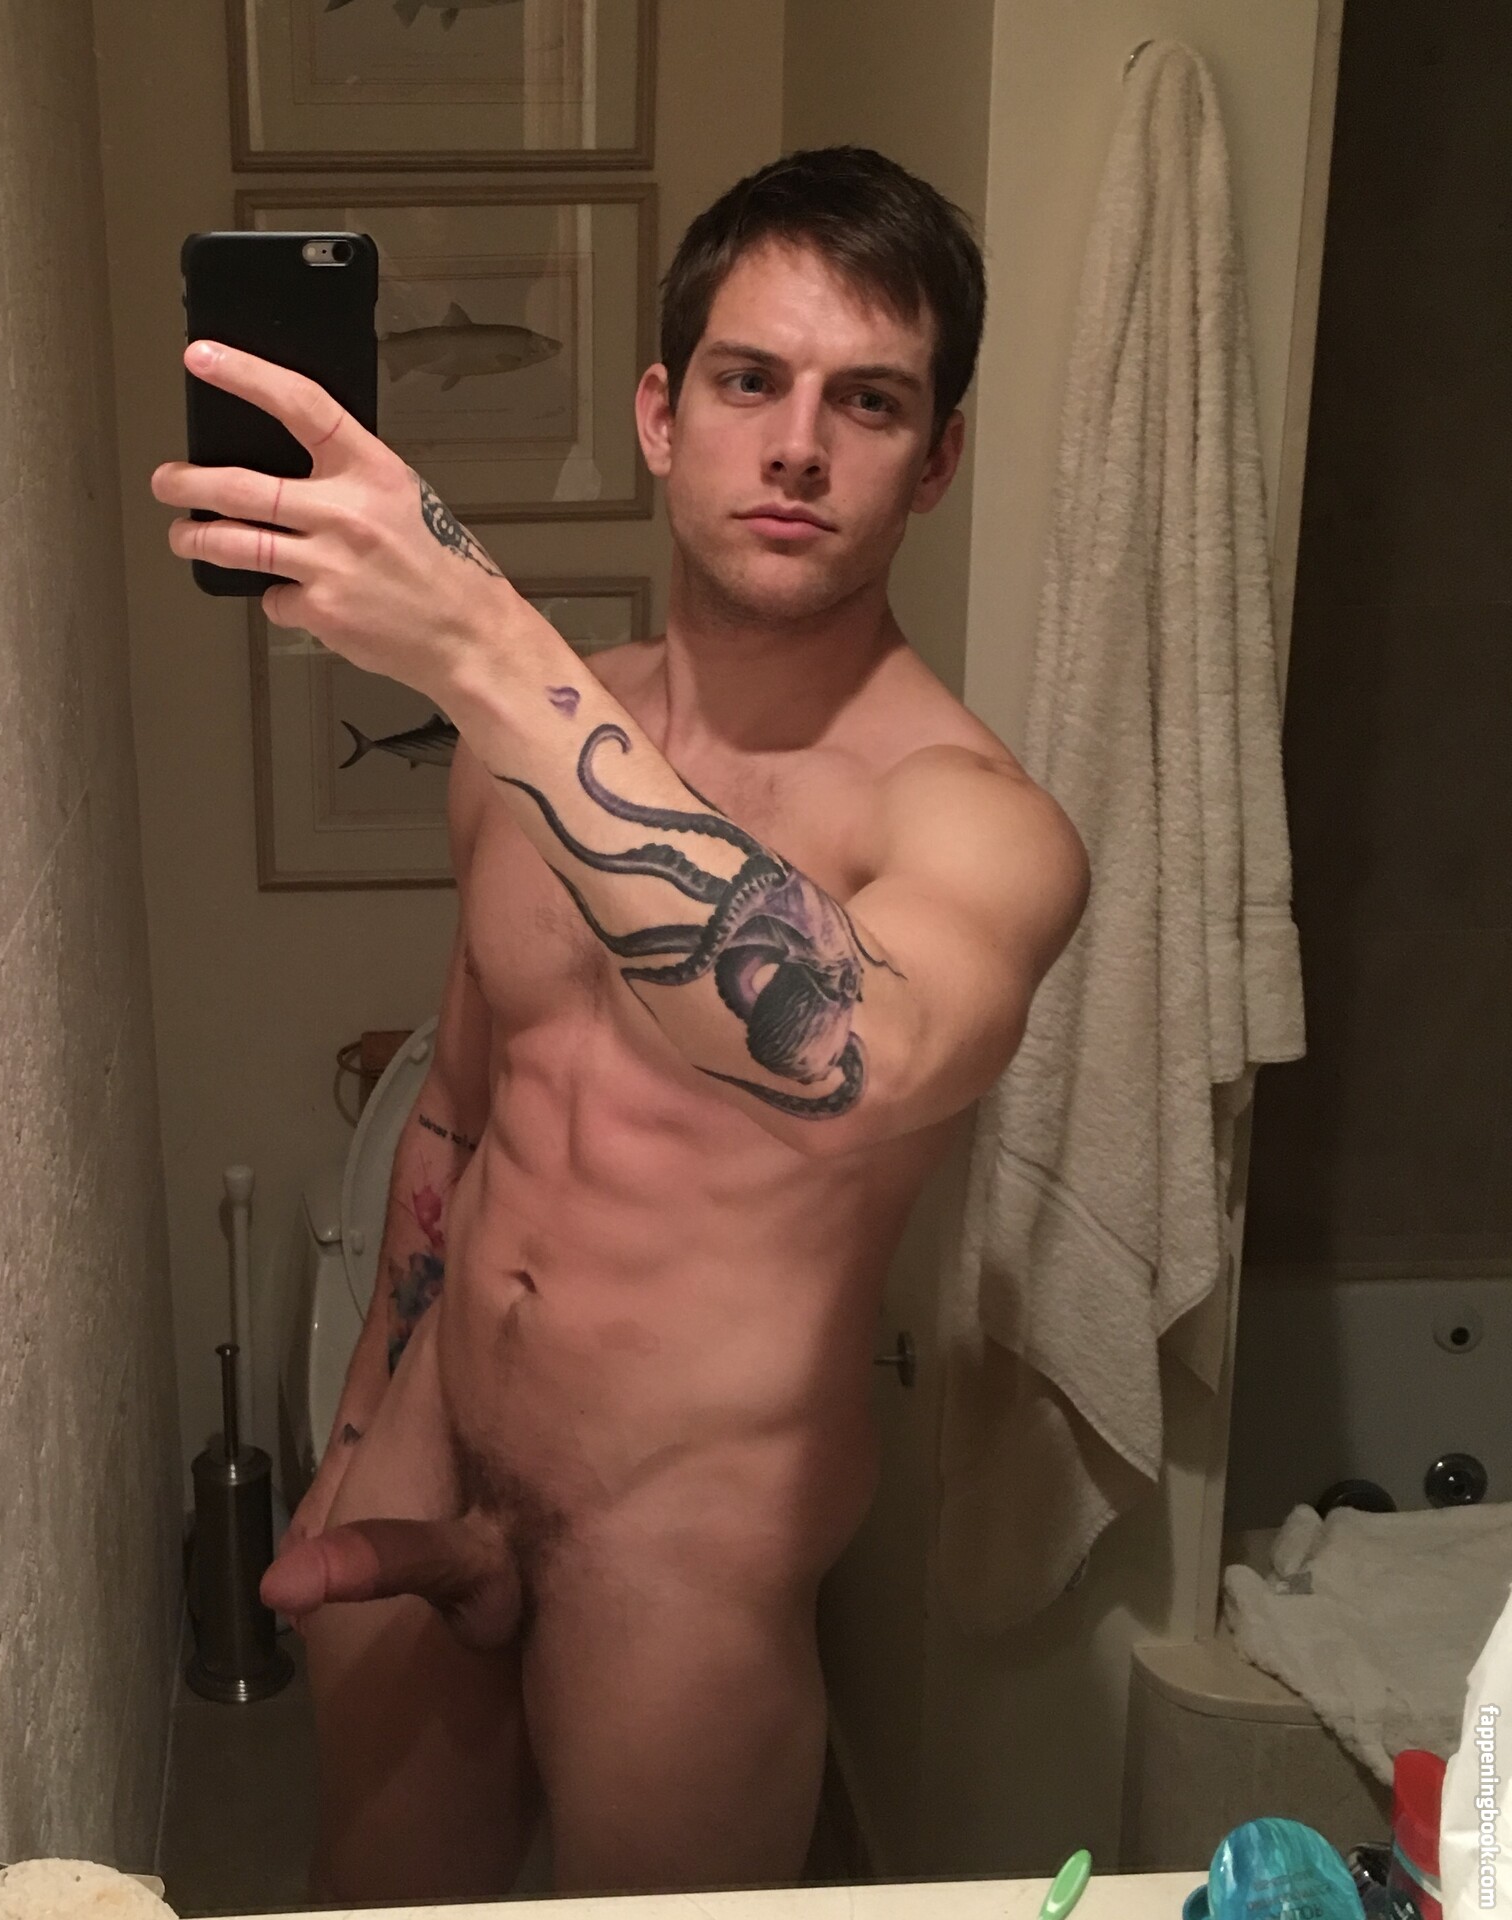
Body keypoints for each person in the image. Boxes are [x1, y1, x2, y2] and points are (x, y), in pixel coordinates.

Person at [151, 145, 1089, 1901]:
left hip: (680, 1563)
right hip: (431, 1459)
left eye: (868, 400)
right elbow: (458, 1111)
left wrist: (481, 644)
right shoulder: (530, 750)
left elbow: (856, 1052)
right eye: (750, 381)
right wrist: (356, 1444)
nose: (798, 444)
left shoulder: (973, 822)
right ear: (660, 416)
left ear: (939, 456)